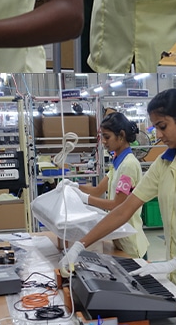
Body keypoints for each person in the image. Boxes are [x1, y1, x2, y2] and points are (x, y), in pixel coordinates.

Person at [60, 89, 176, 324]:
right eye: (155, 128)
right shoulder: (164, 164)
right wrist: (80, 245)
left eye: (162, 126)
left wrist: (173, 263)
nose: (159, 135)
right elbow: (123, 209)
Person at [60, 111, 149, 259]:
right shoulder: (117, 162)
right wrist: (74, 186)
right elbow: (98, 190)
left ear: (121, 136)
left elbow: (116, 205)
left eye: (107, 137)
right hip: (119, 238)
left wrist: (84, 198)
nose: (104, 142)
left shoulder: (129, 165)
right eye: (102, 137)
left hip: (131, 245)